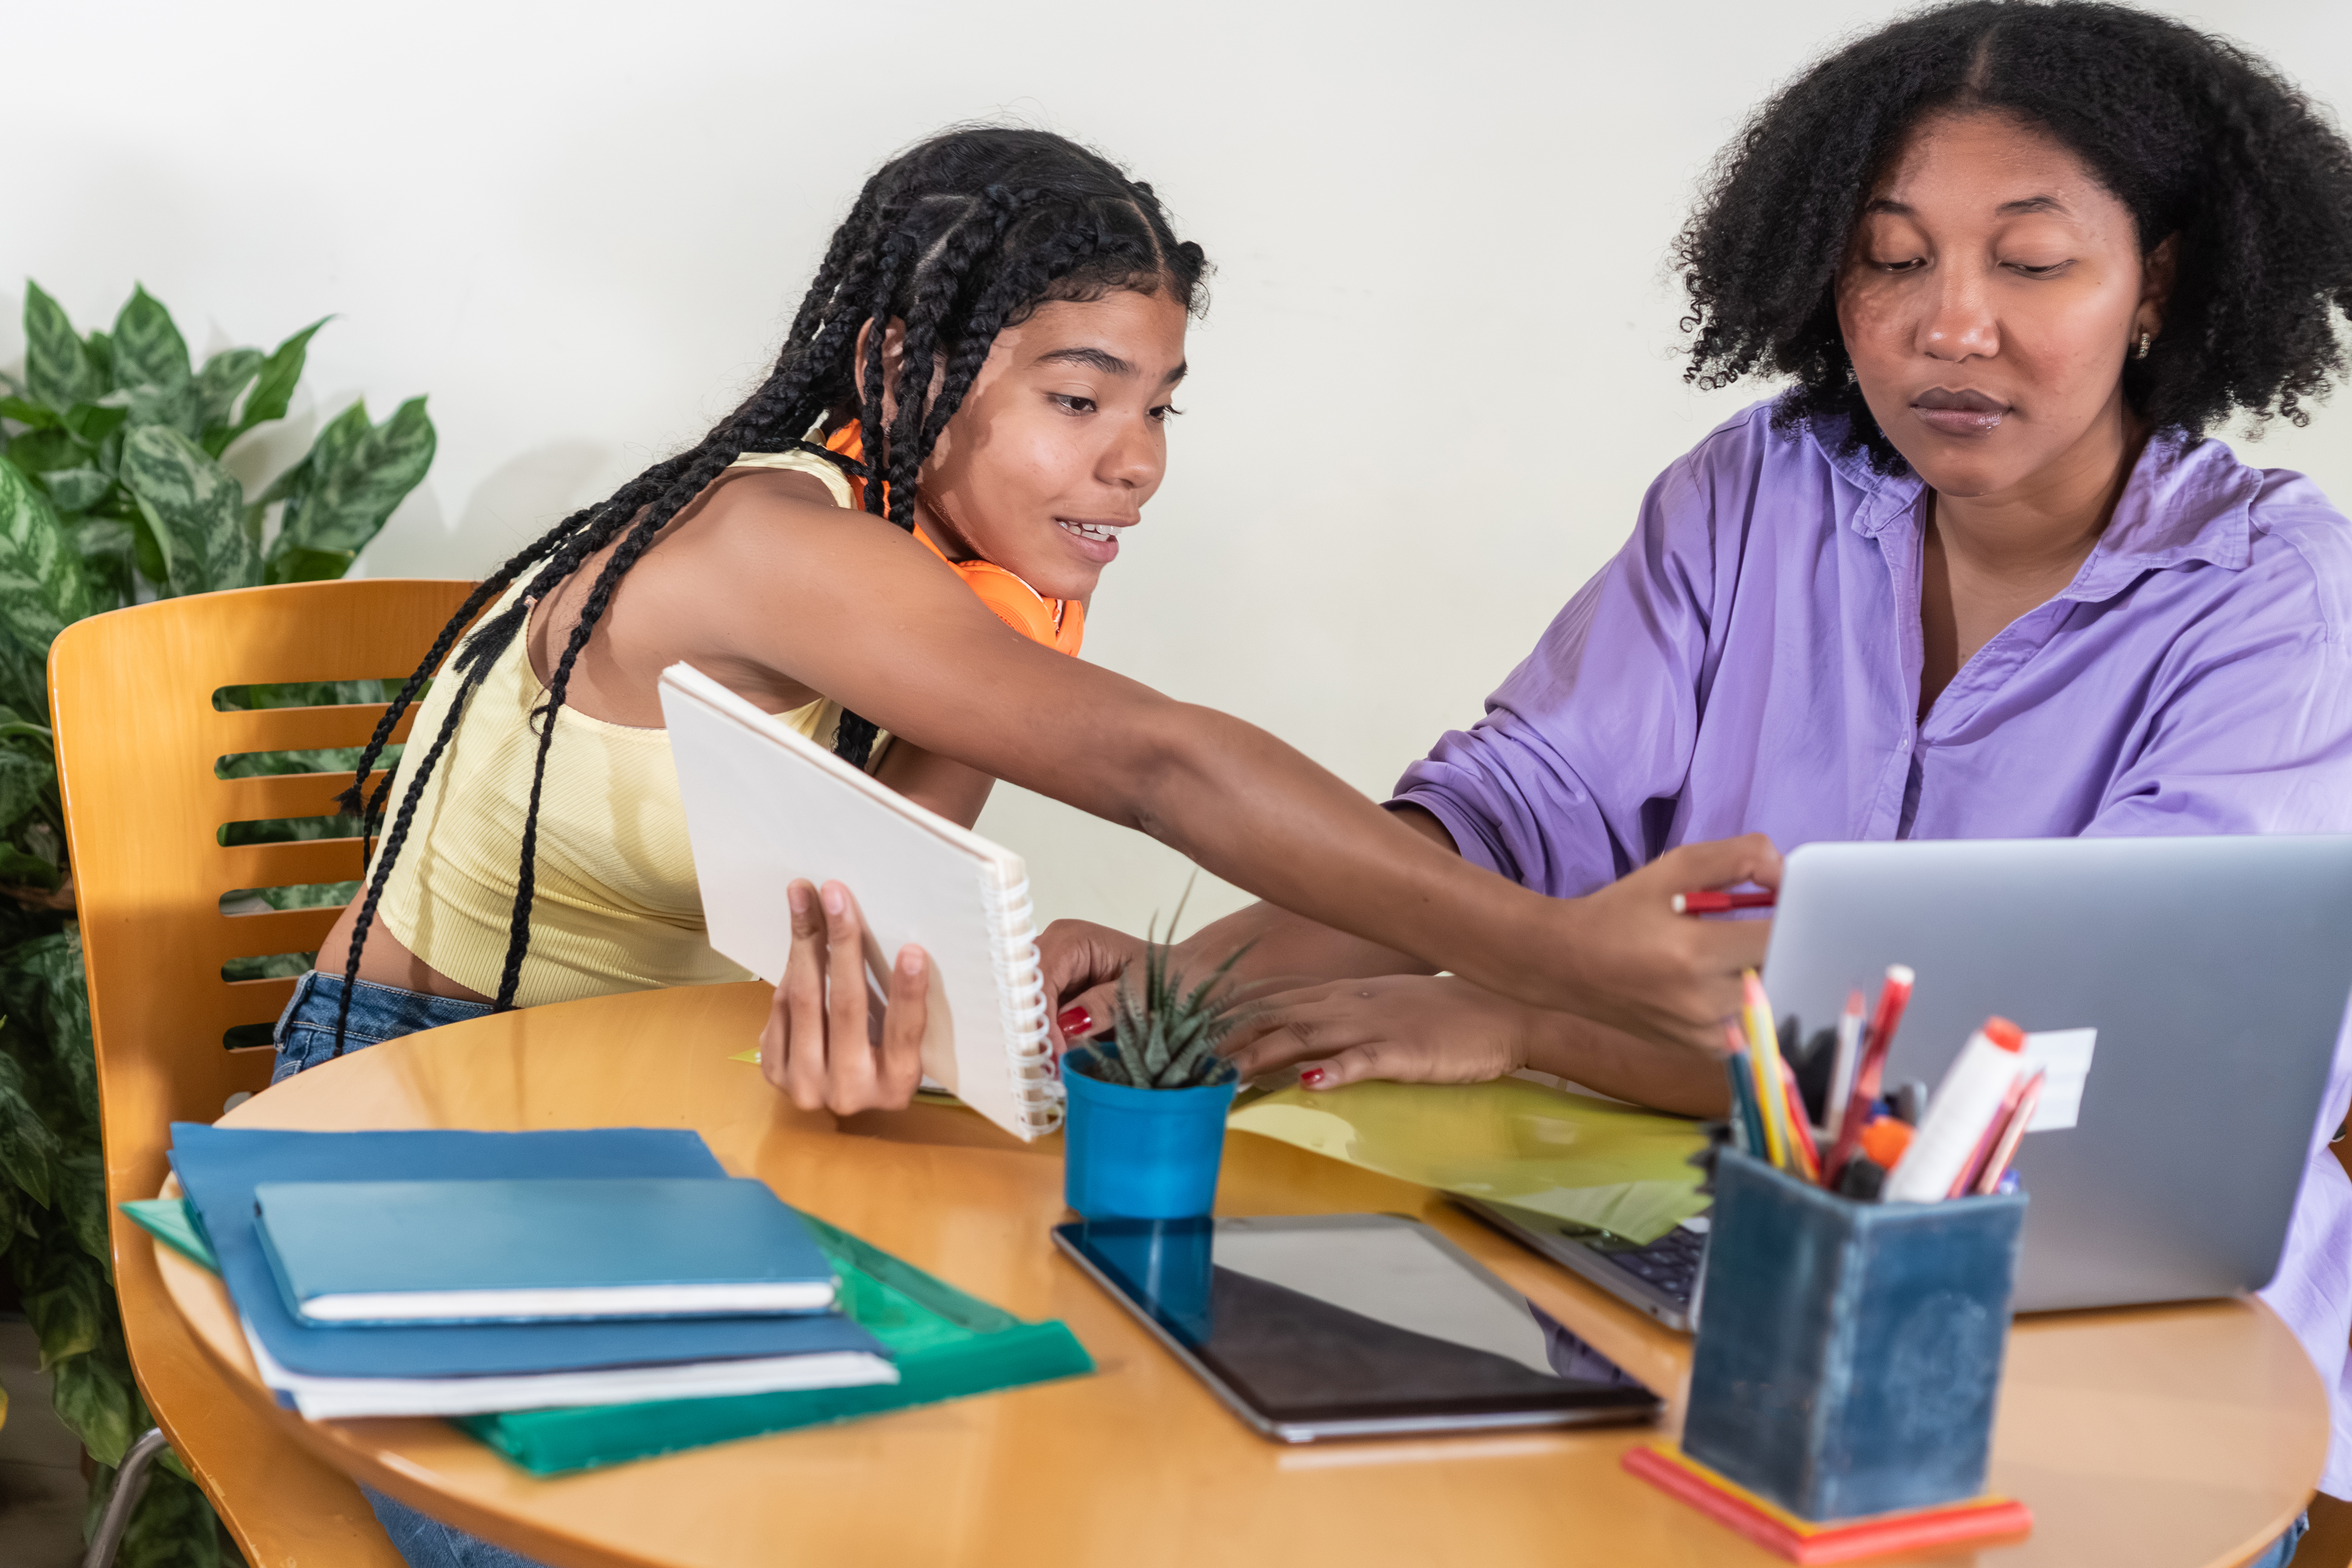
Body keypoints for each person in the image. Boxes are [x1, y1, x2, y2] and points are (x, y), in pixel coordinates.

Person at [270, 125, 1776, 1568]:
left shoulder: (969, 585)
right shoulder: (768, 543)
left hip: (666, 1104)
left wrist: (897, 1021)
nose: (1136, 464)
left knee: (984, 1462)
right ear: (896, 367)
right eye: (1079, 398)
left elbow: (874, 914)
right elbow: (1159, 760)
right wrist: (1568, 952)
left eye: (1158, 406)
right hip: (417, 1101)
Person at [1042, 5, 2352, 1556]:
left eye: (2030, 260)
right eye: (1889, 256)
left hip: (2117, 1359)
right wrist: (1183, 1005)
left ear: (2162, 282)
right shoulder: (1756, 493)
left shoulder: (2280, 598)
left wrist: (1529, 1022)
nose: (1948, 324)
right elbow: (1500, 816)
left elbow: (2062, 1085)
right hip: (1725, 1277)